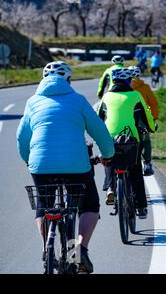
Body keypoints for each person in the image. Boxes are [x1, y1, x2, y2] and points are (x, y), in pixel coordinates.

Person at [17, 61, 115, 274]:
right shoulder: (78, 101)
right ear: (68, 80)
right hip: (76, 166)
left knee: (44, 205)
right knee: (89, 204)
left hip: (41, 165)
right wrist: (108, 155)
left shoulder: (33, 102)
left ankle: (47, 249)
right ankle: (81, 248)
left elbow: (22, 137)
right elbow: (100, 132)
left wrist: (28, 159)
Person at [97, 68, 156, 219]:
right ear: (128, 81)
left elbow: (98, 119)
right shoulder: (135, 95)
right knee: (136, 170)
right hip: (132, 139)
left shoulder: (106, 96)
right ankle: (141, 207)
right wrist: (151, 128)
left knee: (109, 159)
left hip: (110, 138)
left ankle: (110, 187)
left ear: (114, 81)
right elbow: (147, 115)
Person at [129, 66, 159, 176]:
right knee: (146, 141)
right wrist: (154, 118)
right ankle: (147, 164)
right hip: (143, 119)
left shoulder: (126, 87)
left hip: (127, 118)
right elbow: (153, 103)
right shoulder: (145, 87)